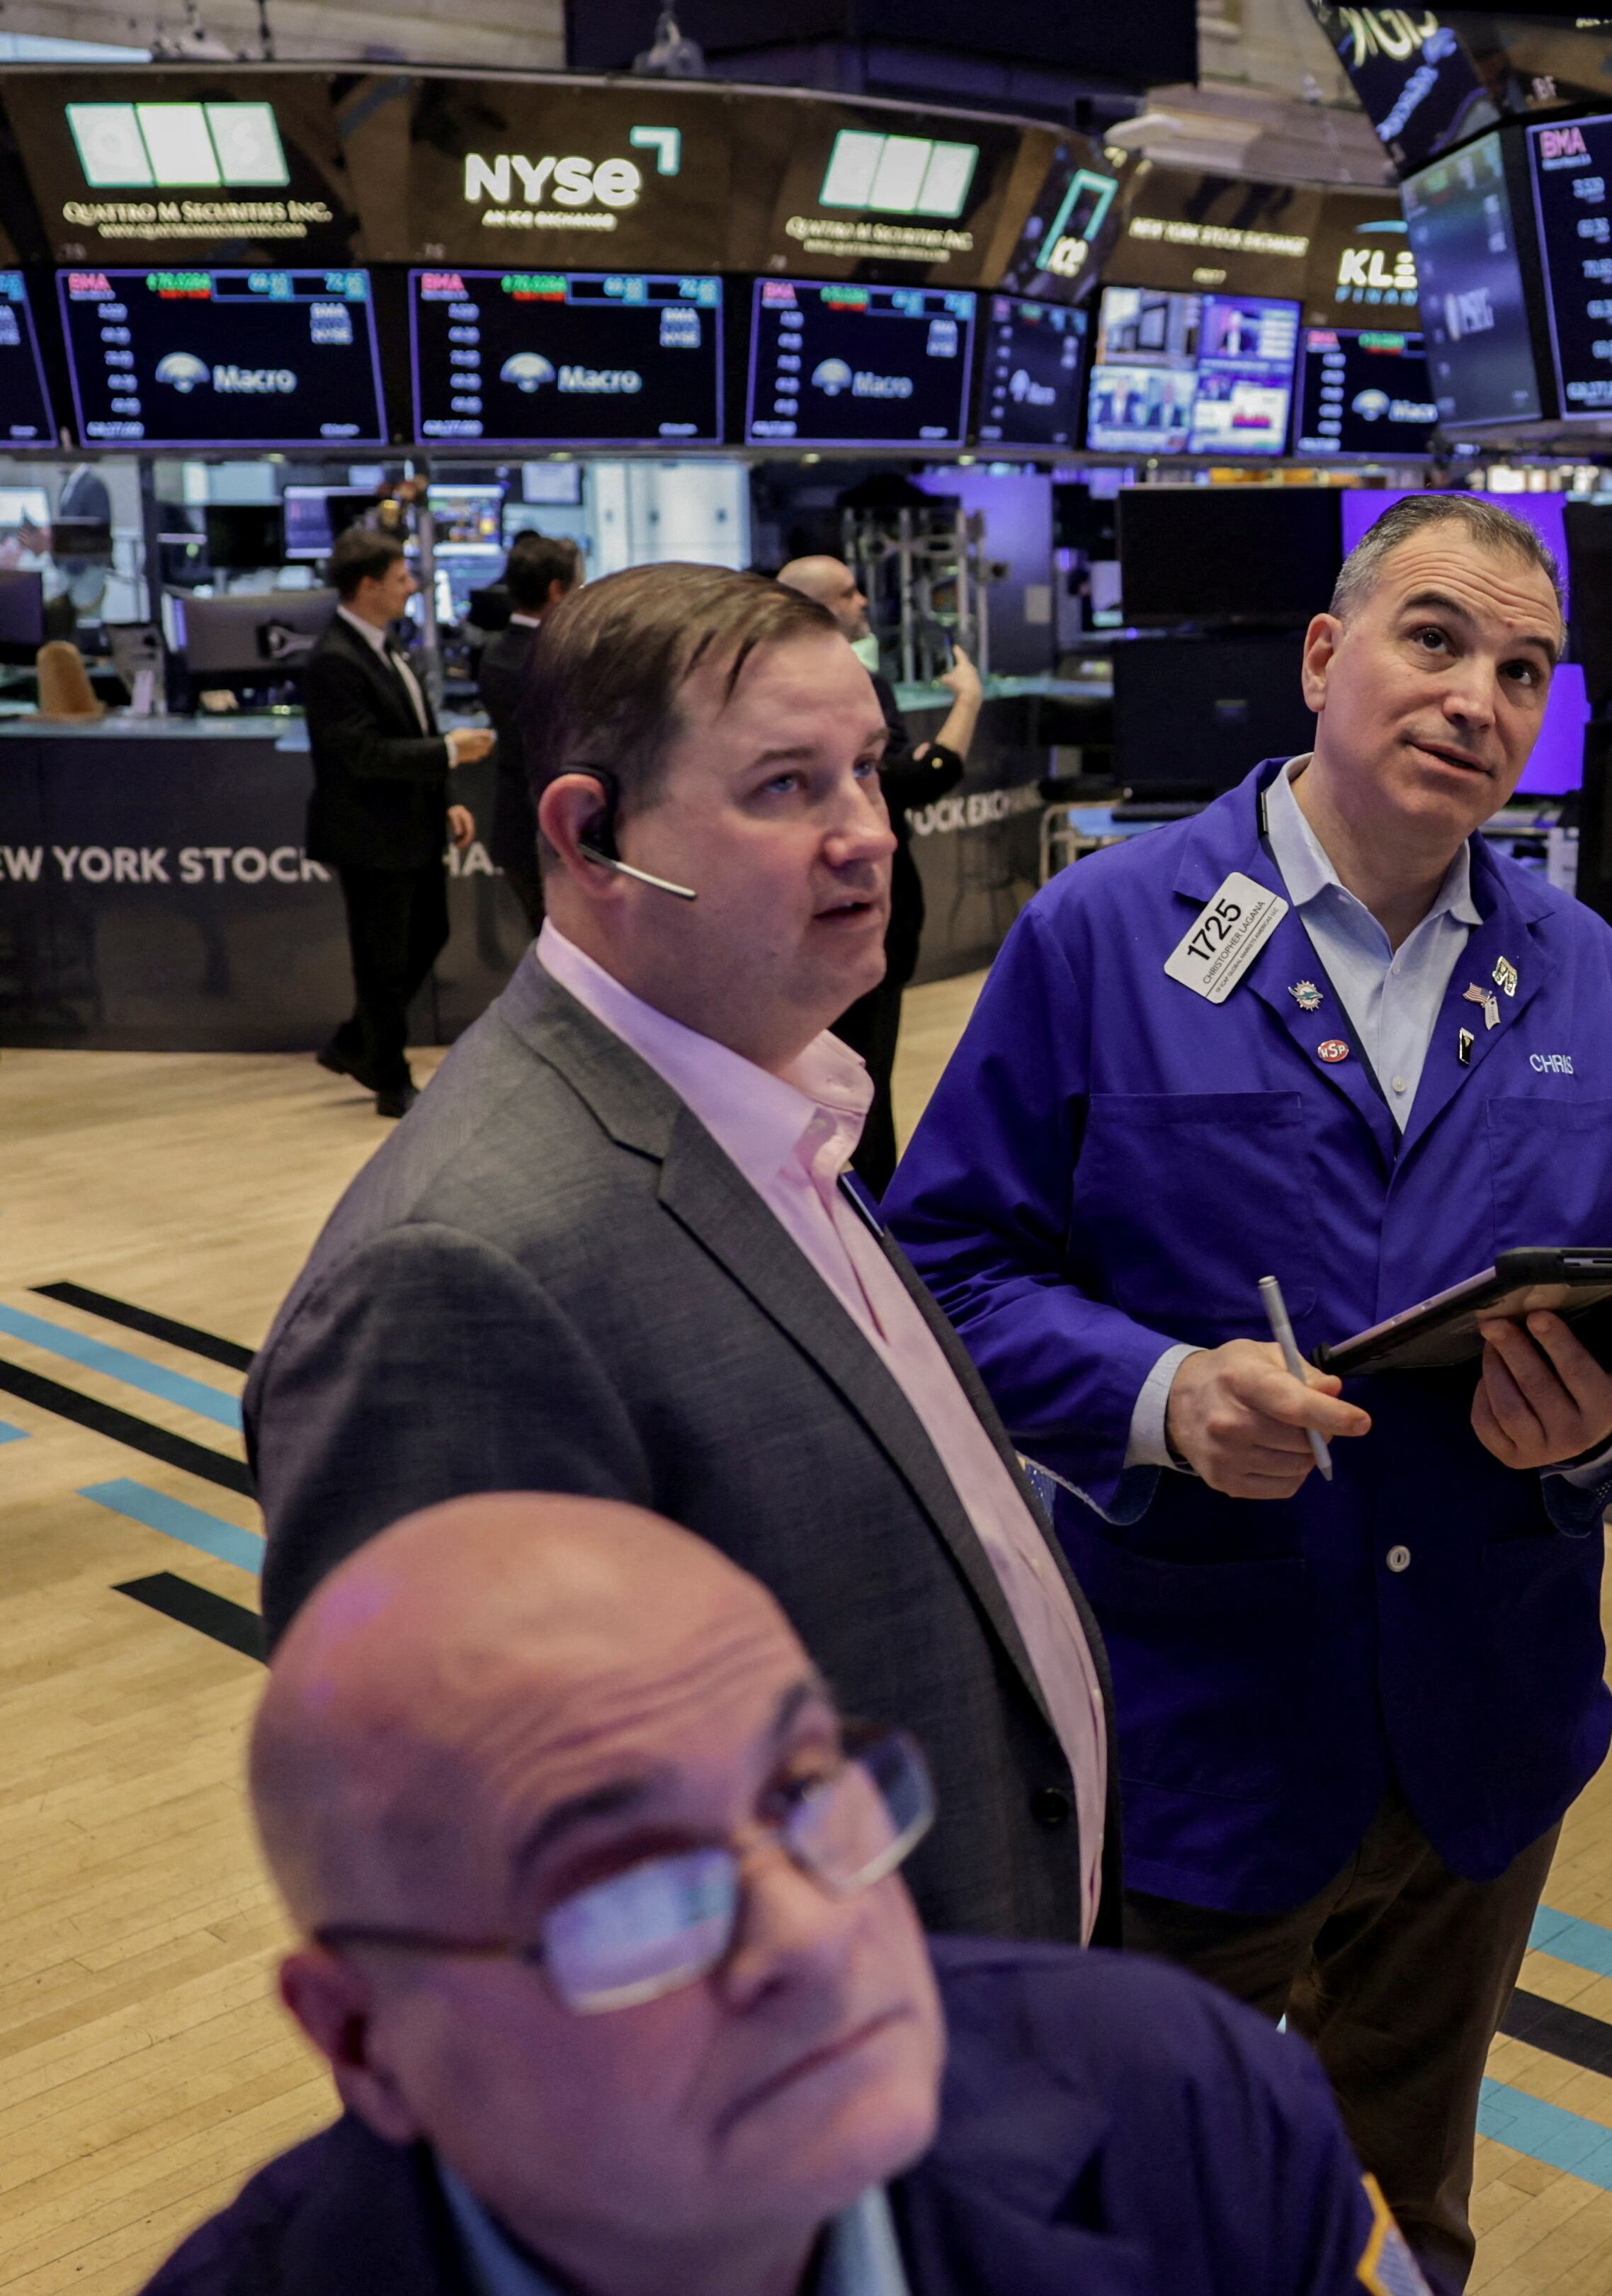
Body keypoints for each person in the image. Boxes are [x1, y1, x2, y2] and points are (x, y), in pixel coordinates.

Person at [887, 491, 1612, 2283]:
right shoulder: (1106, 937)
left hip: (1484, 1740)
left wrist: (1607, 1427)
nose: (1476, 699)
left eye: (1522, 669)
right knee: (1137, 2232)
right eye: (1434, 642)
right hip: (1202, 1725)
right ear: (1326, 658)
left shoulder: (1579, 970)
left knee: (1403, 2214)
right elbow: (943, 1270)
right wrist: (1165, 1393)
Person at [245, 562, 1108, 1952]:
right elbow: (479, 1919)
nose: (869, 836)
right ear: (591, 836)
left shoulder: (781, 1110)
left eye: (866, 771)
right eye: (785, 787)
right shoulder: (456, 1274)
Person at [113, 1493, 1475, 2296]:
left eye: (810, 1790)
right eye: (639, 1894)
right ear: (361, 2040)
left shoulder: (1196, 2107)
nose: (817, 1940)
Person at [773, 553, 984, 1189]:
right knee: (854, 1078)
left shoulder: (828, 680)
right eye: (848, 592)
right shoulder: (838, 686)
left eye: (864, 765)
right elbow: (916, 779)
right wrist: (967, 701)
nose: (864, 602)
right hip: (848, 912)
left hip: (846, 914)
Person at [304, 526, 492, 1117]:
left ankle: (356, 1042)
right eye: (401, 578)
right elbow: (363, 755)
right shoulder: (334, 660)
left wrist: (445, 796)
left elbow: (409, 731)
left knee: (427, 934)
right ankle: (389, 1076)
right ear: (368, 586)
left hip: (412, 825)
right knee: (382, 959)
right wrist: (450, 753)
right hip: (371, 834)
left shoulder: (386, 645)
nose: (413, 586)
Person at [475, 534, 579, 934]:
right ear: (557, 590)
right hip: (560, 833)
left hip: (518, 827)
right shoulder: (556, 658)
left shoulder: (495, 653)